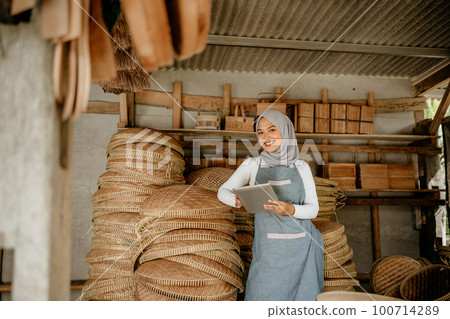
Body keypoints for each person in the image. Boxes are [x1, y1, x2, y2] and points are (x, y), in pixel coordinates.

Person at [217, 109, 324, 301]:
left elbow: (313, 209)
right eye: (260, 132)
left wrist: (289, 209)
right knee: (262, 294)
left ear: (285, 131)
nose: (266, 137)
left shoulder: (301, 167)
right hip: (268, 247)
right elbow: (222, 191)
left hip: (301, 246)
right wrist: (236, 200)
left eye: (272, 130)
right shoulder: (253, 164)